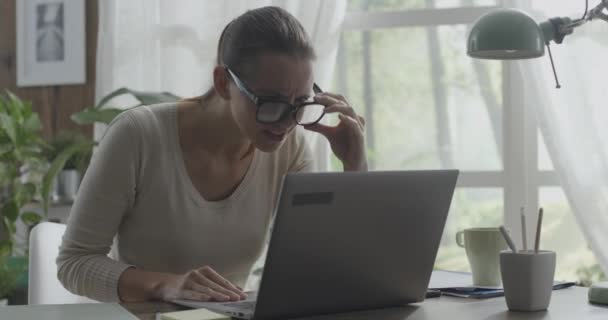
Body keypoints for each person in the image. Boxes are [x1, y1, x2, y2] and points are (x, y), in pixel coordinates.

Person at [57, 6, 367, 304]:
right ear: (223, 83)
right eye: (271, 102)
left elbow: (319, 265)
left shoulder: (291, 146)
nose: (287, 123)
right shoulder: (139, 135)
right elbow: (74, 263)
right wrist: (169, 284)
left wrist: (355, 167)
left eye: (300, 103)